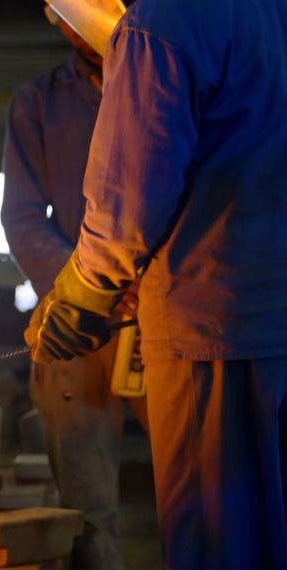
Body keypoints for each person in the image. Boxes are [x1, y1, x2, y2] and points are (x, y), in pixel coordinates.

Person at [24, 0, 287, 567]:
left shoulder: (159, 25)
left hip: (208, 329)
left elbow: (128, 202)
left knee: (213, 541)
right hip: (272, 324)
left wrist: (82, 293)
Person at [1, 4, 148, 568]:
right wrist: (83, 290)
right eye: (70, 13)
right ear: (56, 19)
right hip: (77, 322)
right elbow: (22, 217)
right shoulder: (38, 103)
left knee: (200, 494)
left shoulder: (166, 80)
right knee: (88, 511)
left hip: (161, 316)